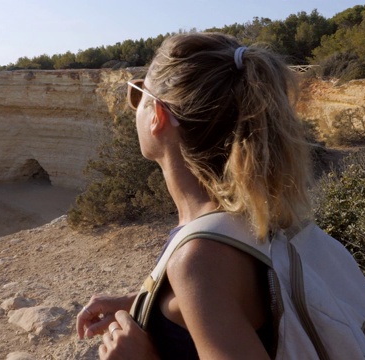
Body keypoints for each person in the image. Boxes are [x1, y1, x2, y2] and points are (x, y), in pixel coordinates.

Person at [76, 32, 313, 359]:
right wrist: (150, 303)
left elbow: (215, 283)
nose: (135, 109)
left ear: (158, 117)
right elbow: (231, 303)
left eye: (139, 96)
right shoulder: (245, 215)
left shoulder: (200, 260)